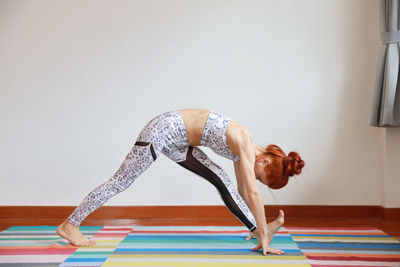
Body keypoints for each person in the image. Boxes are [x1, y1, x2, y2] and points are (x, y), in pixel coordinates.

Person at [56, 108, 305, 256]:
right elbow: (252, 191)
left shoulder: (245, 152)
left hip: (180, 141)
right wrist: (263, 229)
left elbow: (240, 190)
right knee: (120, 182)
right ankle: (70, 224)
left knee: (222, 180)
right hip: (162, 131)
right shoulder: (242, 139)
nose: (256, 180)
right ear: (263, 163)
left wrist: (260, 230)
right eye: (261, 177)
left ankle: (259, 232)